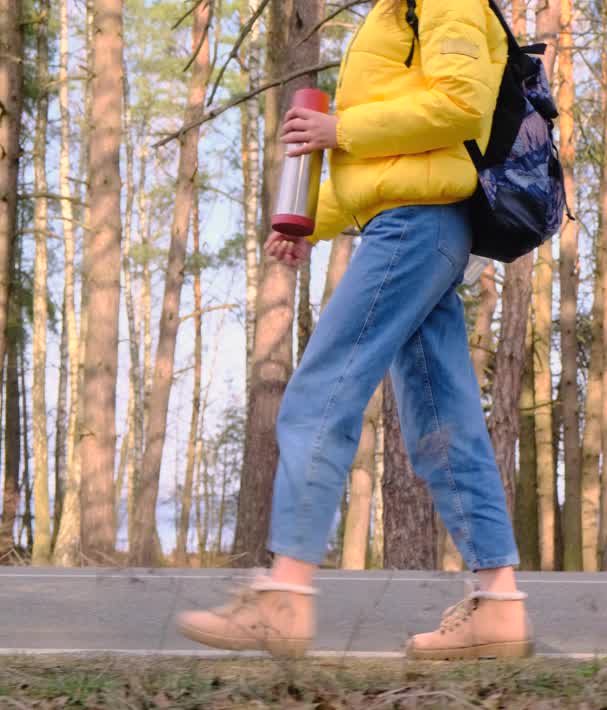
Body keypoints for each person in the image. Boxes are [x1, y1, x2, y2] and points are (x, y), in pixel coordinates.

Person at [176, 0, 531, 661]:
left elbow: (458, 108)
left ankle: (284, 595)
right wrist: (311, 222)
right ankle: (499, 605)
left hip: (417, 225)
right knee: (441, 423)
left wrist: (338, 127)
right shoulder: (397, 12)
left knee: (321, 393)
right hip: (413, 223)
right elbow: (383, 167)